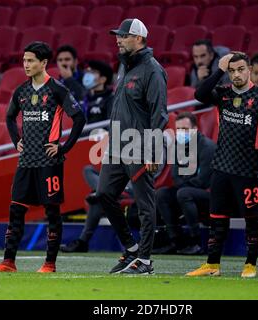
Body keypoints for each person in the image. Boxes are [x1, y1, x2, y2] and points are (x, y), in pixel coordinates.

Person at [186, 52, 258, 278]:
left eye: (240, 69)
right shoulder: (223, 94)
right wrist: (219, 70)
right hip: (221, 166)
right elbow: (199, 94)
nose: (237, 74)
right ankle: (212, 264)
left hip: (248, 169)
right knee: (217, 216)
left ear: (249, 69)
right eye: (232, 71)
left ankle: (250, 264)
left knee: (251, 217)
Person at [0, 41, 86, 273]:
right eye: (24, 60)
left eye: (30, 60)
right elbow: (9, 117)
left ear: (43, 63)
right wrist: (17, 142)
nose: (25, 65)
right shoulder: (21, 91)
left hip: (49, 162)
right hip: (26, 161)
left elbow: (80, 118)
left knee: (52, 212)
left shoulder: (57, 90)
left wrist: (63, 148)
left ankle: (49, 263)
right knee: (16, 209)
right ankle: (8, 261)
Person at [96, 18, 168, 275]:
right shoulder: (124, 66)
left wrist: (152, 150)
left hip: (139, 147)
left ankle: (145, 261)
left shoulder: (152, 70)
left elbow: (159, 114)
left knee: (145, 205)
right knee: (103, 193)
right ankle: (132, 247)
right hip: (117, 145)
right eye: (118, 35)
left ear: (139, 38)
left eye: (124, 36)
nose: (118, 39)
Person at [155, 112, 216, 255]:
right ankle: (176, 240)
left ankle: (196, 241)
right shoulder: (177, 146)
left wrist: (183, 186)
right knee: (161, 194)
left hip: (209, 195)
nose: (182, 133)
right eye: (179, 129)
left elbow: (204, 180)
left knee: (183, 193)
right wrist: (183, 186)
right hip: (186, 192)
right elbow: (175, 176)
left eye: (185, 129)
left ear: (195, 128)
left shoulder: (207, 147)